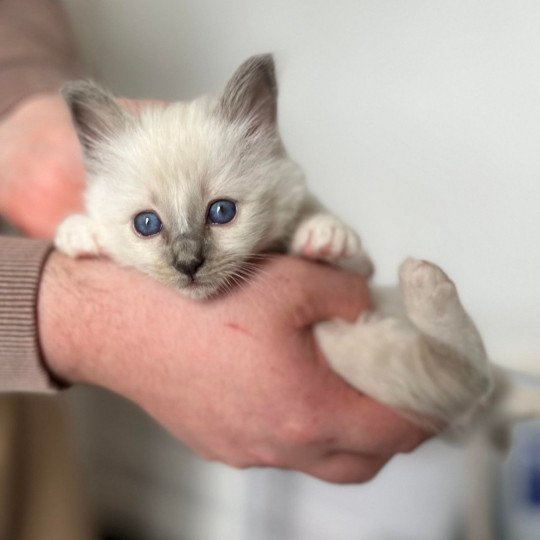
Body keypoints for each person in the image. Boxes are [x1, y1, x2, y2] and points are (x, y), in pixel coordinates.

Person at [0, 0, 428, 484]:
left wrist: (19, 110)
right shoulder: (101, 216)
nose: (188, 258)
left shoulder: (271, 190)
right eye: (147, 225)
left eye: (220, 213)